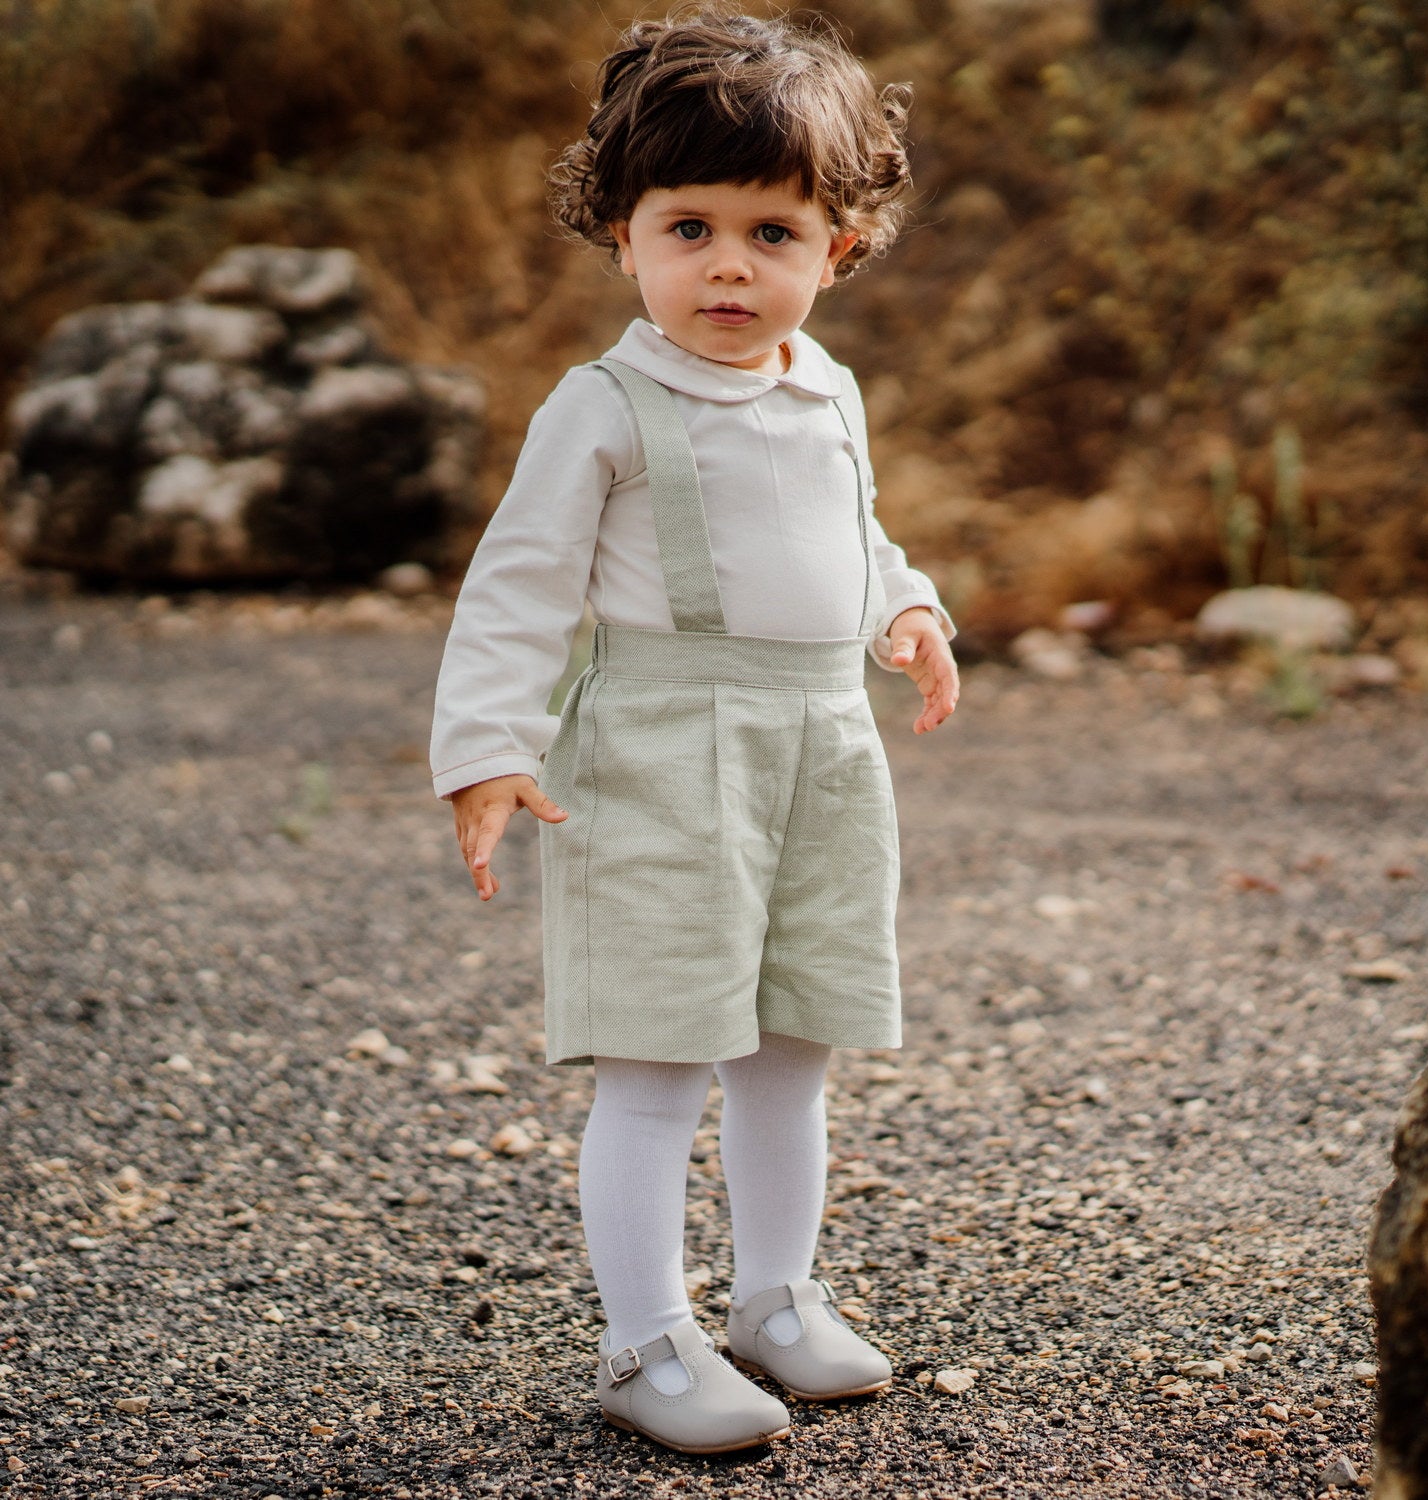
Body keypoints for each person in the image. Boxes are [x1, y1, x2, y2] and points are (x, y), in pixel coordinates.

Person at [429, 7, 960, 1456]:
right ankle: (644, 1338)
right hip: (663, 748)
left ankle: (775, 1298)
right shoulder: (602, 406)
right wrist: (487, 746)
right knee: (660, 1055)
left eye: (774, 234)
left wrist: (905, 611)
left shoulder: (827, 390)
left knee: (794, 1044)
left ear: (837, 249)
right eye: (690, 226)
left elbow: (853, 536)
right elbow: (519, 586)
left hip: (820, 749)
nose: (730, 266)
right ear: (623, 233)